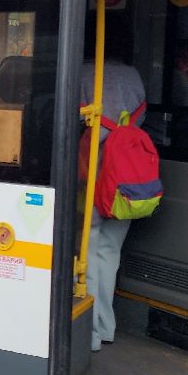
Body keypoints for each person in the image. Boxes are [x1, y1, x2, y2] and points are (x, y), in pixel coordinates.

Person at [79, 31, 147, 353]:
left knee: (87, 255)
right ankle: (106, 327)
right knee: (109, 255)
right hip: (129, 181)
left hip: (93, 177)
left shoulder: (83, 73)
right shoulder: (134, 76)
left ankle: (89, 333)